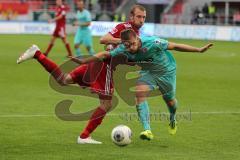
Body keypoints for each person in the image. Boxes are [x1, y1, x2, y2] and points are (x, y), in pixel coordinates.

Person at [66, 29, 213, 137]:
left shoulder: (153, 42)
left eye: (132, 44)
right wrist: (83, 61)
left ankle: (173, 118)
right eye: (127, 45)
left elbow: (175, 46)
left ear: (137, 38)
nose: (130, 48)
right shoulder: (124, 47)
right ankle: (147, 130)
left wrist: (198, 50)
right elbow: (105, 54)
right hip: (148, 73)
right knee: (139, 92)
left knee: (171, 102)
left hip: (166, 72)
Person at [99, 5, 155, 140]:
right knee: (105, 104)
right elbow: (103, 39)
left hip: (120, 71)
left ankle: (147, 130)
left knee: (139, 94)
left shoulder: (138, 33)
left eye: (144, 17)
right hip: (107, 69)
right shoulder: (123, 27)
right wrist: (123, 41)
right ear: (131, 17)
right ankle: (85, 135)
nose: (142, 20)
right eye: (139, 17)